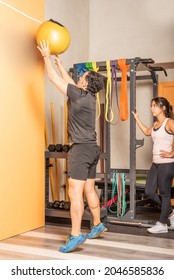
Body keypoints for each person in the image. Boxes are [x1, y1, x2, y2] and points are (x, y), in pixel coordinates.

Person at [37, 40, 107, 252]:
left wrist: (46, 57)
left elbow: (53, 79)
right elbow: (73, 86)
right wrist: (60, 64)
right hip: (93, 148)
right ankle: (97, 224)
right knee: (88, 188)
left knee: (74, 194)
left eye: (83, 76)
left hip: (81, 149)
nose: (80, 77)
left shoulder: (79, 94)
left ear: (85, 83)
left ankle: (75, 235)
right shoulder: (89, 97)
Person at [132, 97, 174, 234]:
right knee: (149, 191)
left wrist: (172, 153)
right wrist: (137, 118)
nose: (152, 108)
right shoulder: (156, 124)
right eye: (151, 106)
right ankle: (171, 212)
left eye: (154, 106)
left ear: (163, 108)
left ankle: (162, 224)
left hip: (167, 164)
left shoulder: (169, 123)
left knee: (164, 194)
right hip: (155, 164)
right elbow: (146, 132)